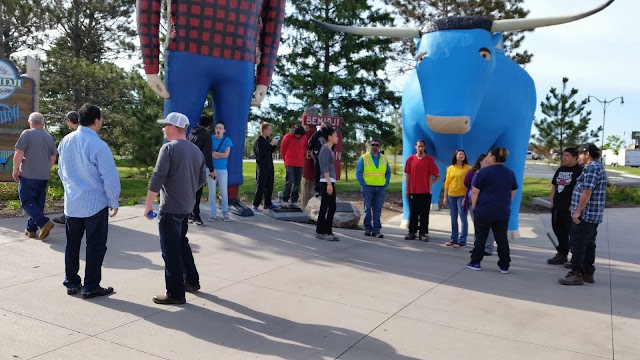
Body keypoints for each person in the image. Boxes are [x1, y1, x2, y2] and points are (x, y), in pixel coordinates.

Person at [137, 0, 285, 217]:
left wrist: (264, 77)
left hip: (239, 57)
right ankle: (171, 196)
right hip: (187, 51)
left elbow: (274, 20)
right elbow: (147, 5)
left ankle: (231, 195)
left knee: (233, 131)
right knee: (177, 134)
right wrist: (150, 64)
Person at [57, 103, 121, 297]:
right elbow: (109, 177)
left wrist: (70, 189)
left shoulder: (65, 141)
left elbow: (61, 171)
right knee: (95, 246)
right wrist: (113, 200)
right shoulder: (98, 145)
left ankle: (71, 282)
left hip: (73, 202)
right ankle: (91, 286)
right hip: (95, 203)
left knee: (72, 244)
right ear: (96, 121)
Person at [144, 112, 208, 304]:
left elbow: (157, 178)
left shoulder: (168, 149)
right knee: (181, 243)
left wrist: (148, 205)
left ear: (173, 128)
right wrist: (188, 191)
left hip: (170, 207)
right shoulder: (196, 151)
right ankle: (192, 280)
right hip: (186, 207)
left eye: (165, 126)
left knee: (170, 251)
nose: (163, 129)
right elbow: (202, 179)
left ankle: (175, 293)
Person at [559, 143, 607, 286]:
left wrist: (578, 211)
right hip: (592, 215)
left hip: (585, 215)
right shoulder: (597, 167)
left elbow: (587, 191)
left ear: (587, 154)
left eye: (581, 153)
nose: (579, 156)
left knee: (578, 244)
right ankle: (587, 272)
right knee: (589, 243)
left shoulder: (592, 168)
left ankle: (577, 273)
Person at [467, 147, 518, 273]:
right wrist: (506, 203)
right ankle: (504, 265)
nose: (488, 157)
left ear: (493, 157)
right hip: (502, 210)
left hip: (484, 209)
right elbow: (513, 190)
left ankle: (476, 262)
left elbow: (475, 191)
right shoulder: (509, 172)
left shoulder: (483, 172)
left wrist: (474, 206)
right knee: (502, 239)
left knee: (480, 238)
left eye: (489, 155)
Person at [12, 112, 58, 240]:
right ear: (42, 123)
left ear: (30, 122)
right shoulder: (49, 137)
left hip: (28, 175)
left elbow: (19, 152)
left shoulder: (27, 134)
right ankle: (30, 230)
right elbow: (53, 156)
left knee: (26, 202)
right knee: (37, 204)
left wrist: (15, 169)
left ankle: (44, 223)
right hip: (43, 176)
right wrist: (45, 168)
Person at [547, 148, 583, 265]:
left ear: (575, 158)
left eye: (567, 155)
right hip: (557, 207)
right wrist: (552, 199)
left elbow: (582, 190)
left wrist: (575, 205)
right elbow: (554, 185)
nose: (564, 157)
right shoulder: (561, 169)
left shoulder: (580, 171)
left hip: (570, 208)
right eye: (564, 155)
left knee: (572, 233)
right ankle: (562, 254)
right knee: (559, 231)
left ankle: (575, 259)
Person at [404, 140, 440, 241]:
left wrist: (430, 184)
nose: (420, 148)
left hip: (425, 192)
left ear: (425, 147)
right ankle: (412, 232)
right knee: (413, 213)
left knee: (424, 214)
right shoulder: (410, 159)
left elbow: (437, 176)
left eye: (422, 146)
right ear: (415, 147)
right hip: (413, 191)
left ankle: (423, 233)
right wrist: (407, 189)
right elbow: (407, 175)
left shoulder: (429, 160)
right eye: (419, 146)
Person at [356, 138, 391, 238]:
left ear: (379, 147)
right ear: (370, 146)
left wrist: (386, 182)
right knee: (367, 208)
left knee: (377, 209)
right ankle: (367, 228)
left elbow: (388, 172)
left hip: (380, 188)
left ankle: (376, 230)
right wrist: (363, 184)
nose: (375, 147)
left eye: (377, 145)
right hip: (368, 187)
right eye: (373, 145)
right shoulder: (364, 157)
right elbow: (358, 172)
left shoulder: (384, 158)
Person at [53, 111, 81, 225]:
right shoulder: (87, 133)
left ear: (69, 120)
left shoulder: (71, 137)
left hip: (74, 171)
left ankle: (68, 216)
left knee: (71, 193)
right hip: (83, 169)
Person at [464, 154, 494, 256]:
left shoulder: (491, 174)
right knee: (477, 225)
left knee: (488, 226)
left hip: (484, 203)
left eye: (489, 161)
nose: (487, 163)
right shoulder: (474, 172)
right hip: (472, 200)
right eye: (485, 161)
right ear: (480, 161)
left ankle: (488, 247)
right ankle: (477, 246)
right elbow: (467, 185)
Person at [187, 115, 215, 225]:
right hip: (199, 167)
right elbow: (207, 154)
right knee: (197, 192)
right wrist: (211, 170)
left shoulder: (190, 134)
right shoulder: (206, 136)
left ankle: (188, 214)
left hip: (189, 166)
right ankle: (196, 216)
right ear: (208, 126)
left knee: (190, 192)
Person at [443, 149, 471, 248]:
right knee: (453, 218)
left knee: (463, 218)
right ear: (455, 156)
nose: (461, 156)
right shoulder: (450, 168)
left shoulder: (468, 168)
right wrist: (445, 196)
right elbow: (447, 182)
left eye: (463, 154)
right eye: (459, 154)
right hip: (451, 195)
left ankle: (462, 240)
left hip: (462, 195)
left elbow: (470, 183)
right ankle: (453, 239)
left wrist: (466, 197)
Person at [316, 127, 339, 241]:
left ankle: (328, 230)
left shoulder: (329, 149)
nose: (337, 138)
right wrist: (329, 184)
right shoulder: (325, 149)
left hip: (329, 181)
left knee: (332, 207)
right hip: (326, 181)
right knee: (325, 207)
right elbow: (324, 168)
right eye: (335, 135)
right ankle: (320, 231)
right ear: (329, 137)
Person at [209, 121, 233, 222]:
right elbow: (209, 153)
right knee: (212, 191)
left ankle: (225, 211)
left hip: (222, 170)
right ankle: (213, 212)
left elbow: (226, 155)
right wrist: (219, 155)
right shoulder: (210, 139)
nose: (218, 129)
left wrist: (215, 154)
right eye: (217, 128)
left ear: (224, 130)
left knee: (223, 191)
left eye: (220, 128)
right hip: (212, 170)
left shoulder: (227, 140)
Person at [252, 122, 278, 212]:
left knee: (269, 185)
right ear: (264, 130)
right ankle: (255, 204)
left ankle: (268, 203)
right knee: (260, 186)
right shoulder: (258, 141)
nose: (270, 132)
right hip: (262, 166)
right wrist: (270, 145)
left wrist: (273, 145)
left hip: (269, 165)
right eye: (269, 130)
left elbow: (269, 151)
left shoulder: (268, 139)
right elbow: (261, 153)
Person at [280, 124, 307, 208]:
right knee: (290, 181)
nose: (297, 136)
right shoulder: (287, 137)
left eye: (299, 134)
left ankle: (294, 200)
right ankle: (285, 199)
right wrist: (286, 161)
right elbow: (283, 149)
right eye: (296, 134)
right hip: (289, 162)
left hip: (300, 163)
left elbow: (304, 149)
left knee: (297, 182)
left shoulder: (304, 138)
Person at [308, 119, 329, 196]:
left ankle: (325, 189)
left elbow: (333, 144)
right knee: (317, 173)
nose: (323, 127)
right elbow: (310, 142)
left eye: (324, 126)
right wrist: (314, 150)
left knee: (325, 173)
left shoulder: (329, 134)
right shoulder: (316, 134)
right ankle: (318, 190)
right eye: (322, 125)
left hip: (326, 157)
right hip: (317, 156)